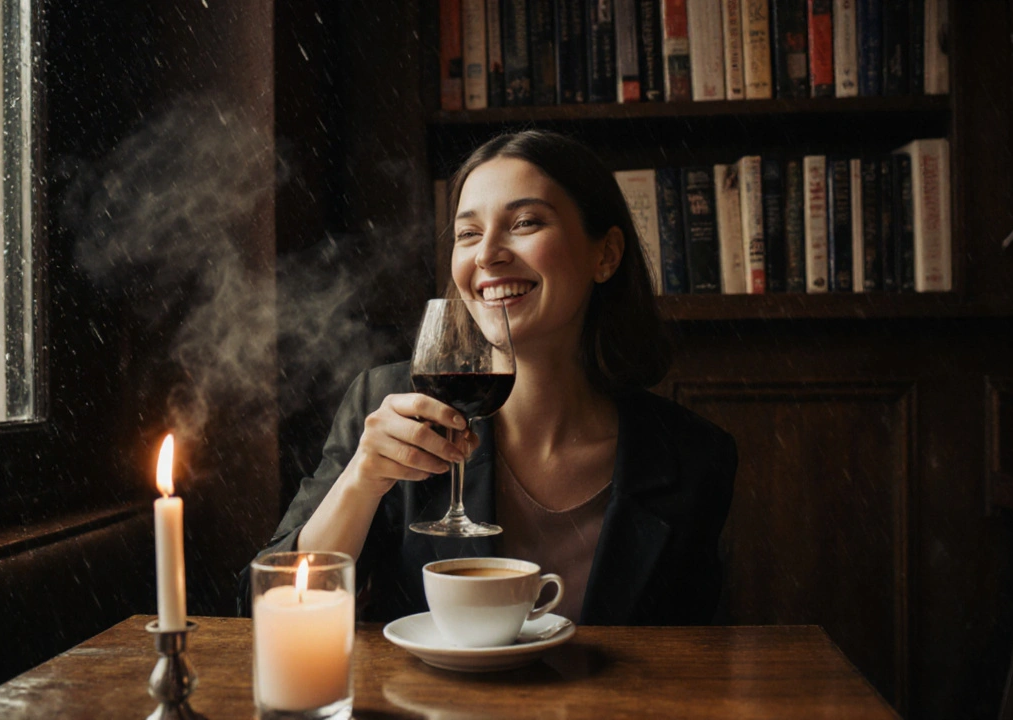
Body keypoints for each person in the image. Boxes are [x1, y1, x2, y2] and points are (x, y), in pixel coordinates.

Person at [244, 130, 736, 625]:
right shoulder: (387, 404)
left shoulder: (693, 455)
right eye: (468, 233)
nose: (487, 255)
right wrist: (360, 481)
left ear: (605, 255)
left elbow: (694, 658)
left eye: (525, 222)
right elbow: (272, 612)